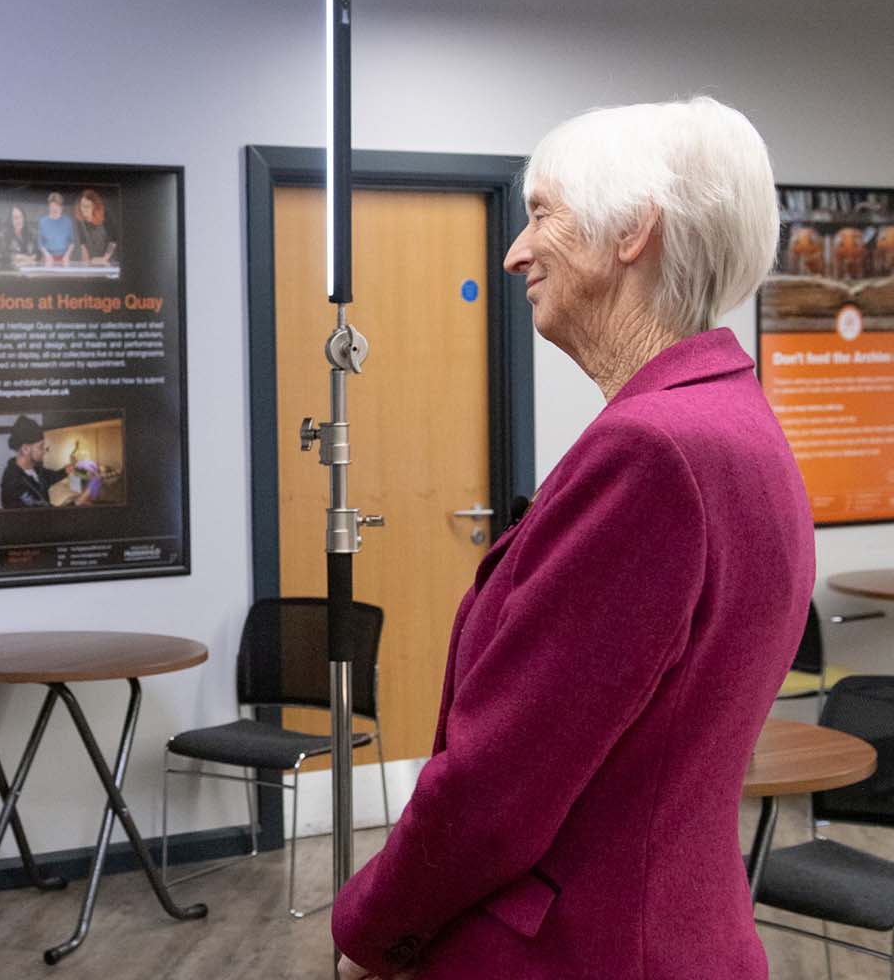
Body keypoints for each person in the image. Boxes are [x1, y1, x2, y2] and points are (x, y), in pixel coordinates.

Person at [332, 96, 814, 980]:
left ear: (634, 230)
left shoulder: (652, 452)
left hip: (578, 950)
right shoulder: (734, 419)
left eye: (542, 214)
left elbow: (498, 789)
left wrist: (366, 931)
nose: (515, 252)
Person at [0, 414, 86, 508]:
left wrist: (67, 470)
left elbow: (50, 477)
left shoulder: (34, 469)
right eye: (41, 447)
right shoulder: (14, 483)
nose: (44, 451)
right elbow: (47, 514)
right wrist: (80, 500)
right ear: (25, 449)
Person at [74, 187, 118, 267]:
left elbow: (113, 240)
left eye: (87, 206)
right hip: (91, 261)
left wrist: (104, 259)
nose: (84, 209)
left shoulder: (106, 216)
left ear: (94, 207)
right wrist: (86, 264)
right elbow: (83, 244)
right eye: (82, 206)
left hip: (107, 261)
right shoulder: (80, 220)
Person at [38, 191, 78, 266]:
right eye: (53, 206)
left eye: (57, 206)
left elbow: (72, 243)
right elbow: (40, 243)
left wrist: (67, 256)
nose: (55, 208)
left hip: (64, 258)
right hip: (47, 258)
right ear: (49, 207)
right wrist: (47, 255)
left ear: (61, 207)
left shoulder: (67, 221)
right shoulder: (42, 222)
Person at [0, 204, 39, 269]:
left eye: (21, 217)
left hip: (30, 270)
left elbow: (38, 253)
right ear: (10, 220)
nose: (19, 220)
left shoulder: (32, 234)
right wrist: (18, 257)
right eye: (16, 218)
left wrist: (33, 257)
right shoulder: (3, 235)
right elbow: (0, 255)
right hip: (10, 272)